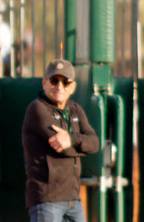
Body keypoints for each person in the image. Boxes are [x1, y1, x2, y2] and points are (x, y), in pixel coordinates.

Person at [22, 59, 99, 222]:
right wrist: (81, 145)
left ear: (73, 87)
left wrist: (71, 139)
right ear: (44, 83)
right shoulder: (37, 109)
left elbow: (95, 143)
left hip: (73, 199)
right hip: (47, 200)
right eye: (54, 80)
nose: (59, 86)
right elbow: (62, 147)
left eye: (65, 82)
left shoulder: (75, 109)